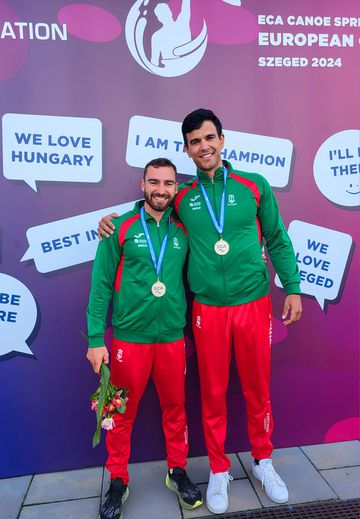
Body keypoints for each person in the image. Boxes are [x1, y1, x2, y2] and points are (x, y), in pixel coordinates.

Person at [99, 109, 302, 514]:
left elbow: (277, 238)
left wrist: (292, 288)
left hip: (253, 304)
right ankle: (219, 469)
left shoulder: (254, 186)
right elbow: (148, 216)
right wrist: (110, 220)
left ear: (222, 140)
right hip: (207, 310)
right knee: (211, 393)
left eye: (209, 138)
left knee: (257, 389)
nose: (203, 146)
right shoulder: (184, 198)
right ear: (188, 149)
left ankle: (263, 461)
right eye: (194, 141)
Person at [87, 158, 202, 519]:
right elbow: (100, 286)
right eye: (154, 182)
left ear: (176, 188)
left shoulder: (186, 229)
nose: (161, 189)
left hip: (171, 338)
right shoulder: (118, 228)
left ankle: (177, 470)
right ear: (142, 185)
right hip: (128, 341)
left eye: (169, 183)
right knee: (120, 414)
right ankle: (118, 479)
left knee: (176, 410)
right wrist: (94, 338)